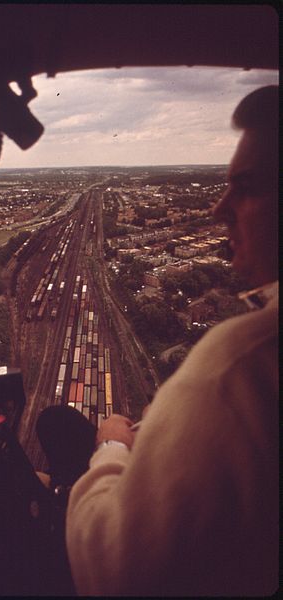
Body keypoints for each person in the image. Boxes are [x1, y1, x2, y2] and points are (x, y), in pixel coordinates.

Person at [65, 85, 278, 596]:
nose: (218, 210)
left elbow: (113, 571)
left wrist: (111, 447)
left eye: (245, 187)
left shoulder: (242, 363)